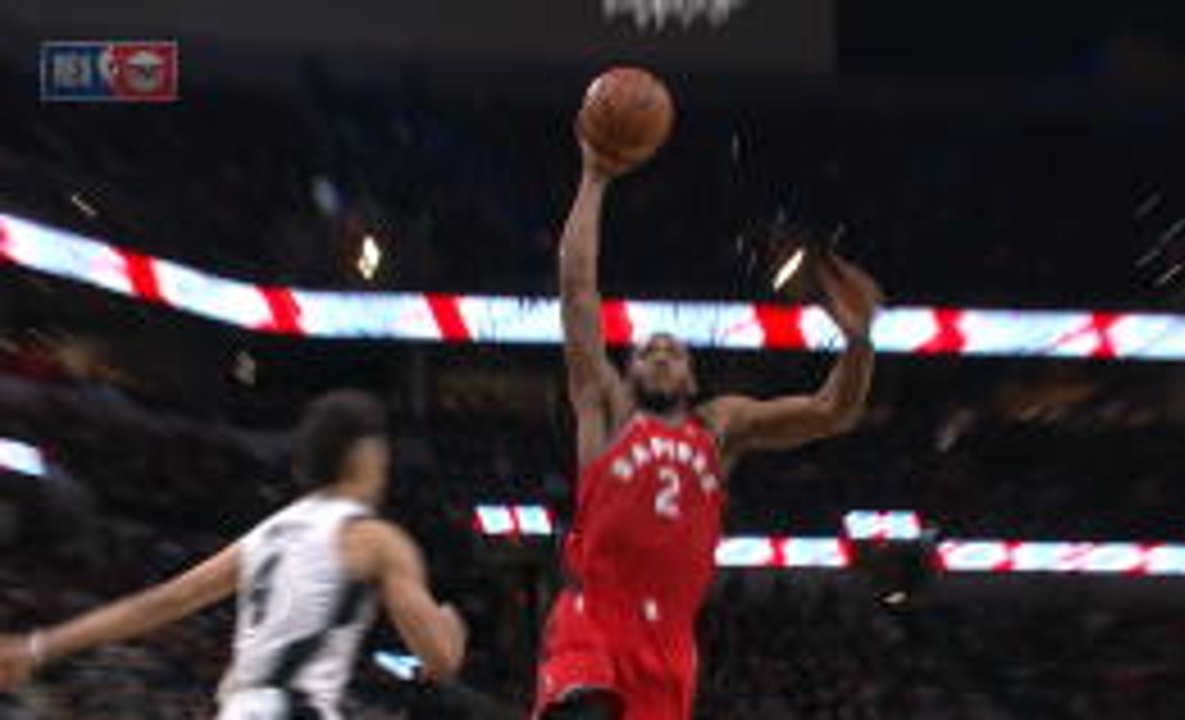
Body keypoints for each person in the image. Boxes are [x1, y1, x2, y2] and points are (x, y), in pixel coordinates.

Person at [532, 139, 881, 720]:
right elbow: (577, 288)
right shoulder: (607, 407)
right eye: (647, 352)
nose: (661, 356)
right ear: (629, 369)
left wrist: (860, 342)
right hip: (593, 624)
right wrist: (594, 177)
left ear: (693, 377)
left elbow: (832, 411)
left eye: (672, 352)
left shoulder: (720, 428)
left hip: (668, 648)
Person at [0, 389, 467, 719]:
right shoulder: (377, 539)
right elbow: (440, 661)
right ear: (367, 455)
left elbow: (159, 603)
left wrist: (39, 646)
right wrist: (450, 623)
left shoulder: (267, 535)